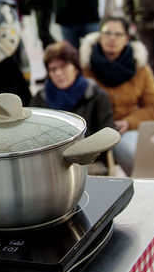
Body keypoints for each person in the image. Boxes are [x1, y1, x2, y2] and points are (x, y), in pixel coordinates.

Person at [79, 16, 154, 175]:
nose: (112, 39)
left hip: (127, 128)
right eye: (107, 33)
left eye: (118, 34)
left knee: (129, 151)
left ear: (127, 39)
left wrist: (129, 122)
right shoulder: (86, 66)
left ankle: (142, 191)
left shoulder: (140, 66)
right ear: (99, 36)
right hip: (95, 130)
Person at [31, 41, 115, 175]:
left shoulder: (96, 95)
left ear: (76, 68)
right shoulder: (40, 100)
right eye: (53, 69)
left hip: (90, 163)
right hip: (50, 166)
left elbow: (106, 135)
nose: (58, 73)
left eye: (63, 66)